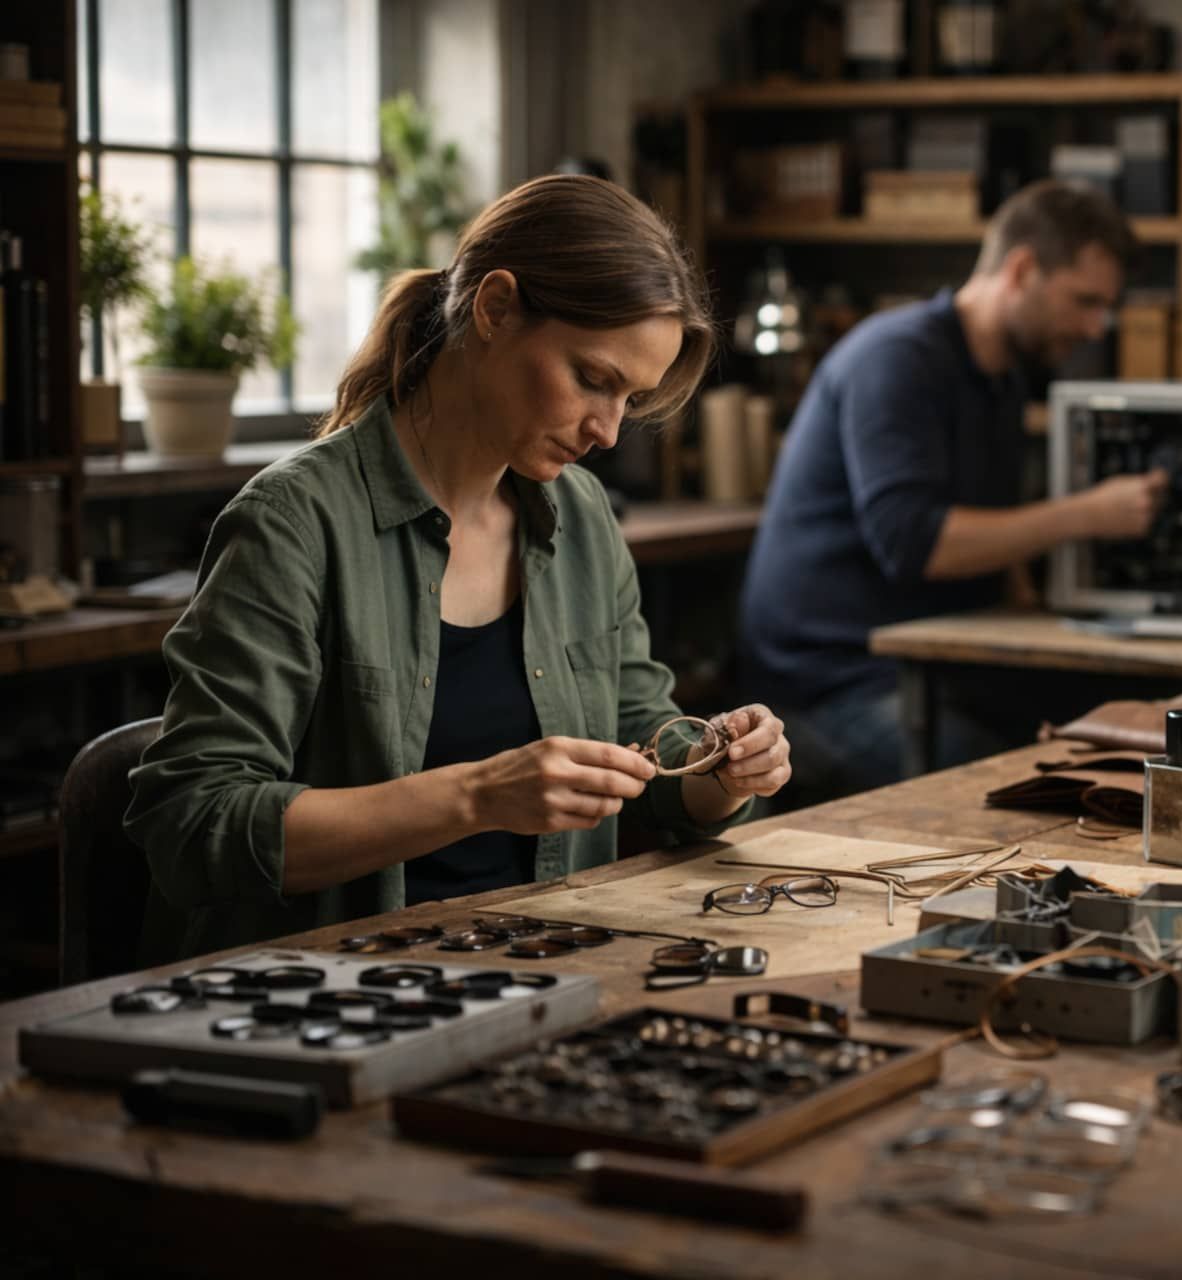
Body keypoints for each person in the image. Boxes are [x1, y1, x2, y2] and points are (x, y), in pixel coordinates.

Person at [126, 175, 793, 962]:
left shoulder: (579, 519)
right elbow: (194, 822)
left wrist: (725, 773)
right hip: (336, 994)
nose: (609, 432)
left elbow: (645, 761)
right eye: (592, 380)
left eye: (631, 399)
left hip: (548, 964)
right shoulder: (294, 522)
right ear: (495, 308)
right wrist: (476, 797)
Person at [738, 179, 1168, 799]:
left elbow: (988, 528)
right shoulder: (894, 360)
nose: (1097, 327)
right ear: (1021, 270)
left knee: (1112, 735)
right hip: (825, 687)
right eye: (1084, 301)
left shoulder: (1002, 377)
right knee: (1020, 786)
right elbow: (915, 542)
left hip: (927, 671)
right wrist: (1088, 515)